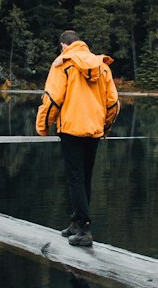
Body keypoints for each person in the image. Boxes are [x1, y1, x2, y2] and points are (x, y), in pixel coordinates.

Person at [36, 28, 119, 248]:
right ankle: (75, 222)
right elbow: (112, 103)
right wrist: (105, 126)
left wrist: (43, 126)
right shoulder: (102, 66)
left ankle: (84, 229)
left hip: (71, 128)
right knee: (85, 177)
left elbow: (53, 99)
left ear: (64, 45)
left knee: (75, 178)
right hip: (93, 129)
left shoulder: (62, 63)